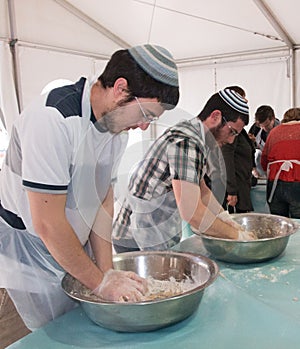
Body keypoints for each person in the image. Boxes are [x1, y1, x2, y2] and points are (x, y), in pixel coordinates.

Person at [0, 43, 180, 344]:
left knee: (84, 323)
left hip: (69, 239)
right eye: (146, 113)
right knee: (50, 335)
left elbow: (102, 202)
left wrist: (107, 270)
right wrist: (100, 282)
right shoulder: (53, 119)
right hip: (31, 251)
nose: (144, 125)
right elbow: (47, 223)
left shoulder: (114, 129)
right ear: (120, 89)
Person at [113, 88, 255, 253]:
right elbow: (191, 211)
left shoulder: (195, 136)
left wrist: (225, 218)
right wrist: (238, 237)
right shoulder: (187, 142)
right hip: (135, 239)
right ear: (216, 116)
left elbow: (202, 190)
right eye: (232, 132)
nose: (231, 140)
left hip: (155, 231)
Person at [221, 86, 255, 213]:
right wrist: (231, 191)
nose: (245, 103)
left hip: (241, 184)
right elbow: (226, 158)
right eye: (242, 99)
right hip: (235, 189)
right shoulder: (230, 131)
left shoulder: (239, 131)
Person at [261, 107, 300, 218]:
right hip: (297, 181)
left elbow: (264, 159)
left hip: (275, 183)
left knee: (278, 222)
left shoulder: (274, 132)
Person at [248, 105, 280, 177]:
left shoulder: (281, 130)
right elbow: (249, 149)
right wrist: (253, 168)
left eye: (267, 125)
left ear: (273, 118)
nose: (264, 128)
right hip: (261, 166)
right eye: (261, 126)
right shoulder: (255, 128)